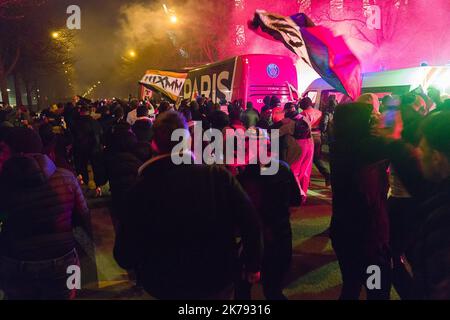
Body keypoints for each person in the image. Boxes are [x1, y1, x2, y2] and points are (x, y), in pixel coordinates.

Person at [114, 111, 263, 300]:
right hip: (216, 279)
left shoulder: (140, 189)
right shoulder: (217, 176)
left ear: (154, 143)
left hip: (163, 285)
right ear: (188, 141)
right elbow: (250, 221)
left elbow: (124, 254)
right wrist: (252, 264)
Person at [0, 128, 91, 300]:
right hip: (65, 258)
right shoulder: (66, 177)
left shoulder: (4, 182)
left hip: (16, 260)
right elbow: (82, 217)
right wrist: (83, 252)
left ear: (16, 152)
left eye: (4, 149)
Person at [329, 103, 391, 300]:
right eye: (370, 118)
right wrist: (390, 114)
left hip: (346, 232)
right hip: (366, 238)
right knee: (377, 290)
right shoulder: (361, 149)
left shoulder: (341, 145)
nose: (375, 121)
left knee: (352, 284)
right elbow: (393, 141)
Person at [236, 152, 301, 300]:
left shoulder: (245, 176)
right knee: (273, 290)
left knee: (243, 288)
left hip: (254, 242)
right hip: (281, 238)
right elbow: (295, 201)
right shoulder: (283, 168)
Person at [71, 105, 106, 192]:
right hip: (95, 148)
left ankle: (85, 183)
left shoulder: (76, 123)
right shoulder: (95, 122)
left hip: (81, 148)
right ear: (89, 112)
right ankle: (98, 185)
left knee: (83, 166)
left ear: (80, 112)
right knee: (96, 167)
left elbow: (73, 137)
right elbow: (101, 134)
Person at [300, 97, 330, 186]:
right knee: (316, 158)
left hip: (309, 138)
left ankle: (307, 179)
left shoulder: (304, 113)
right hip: (318, 137)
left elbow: (303, 128)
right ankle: (326, 174)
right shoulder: (319, 112)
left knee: (307, 158)